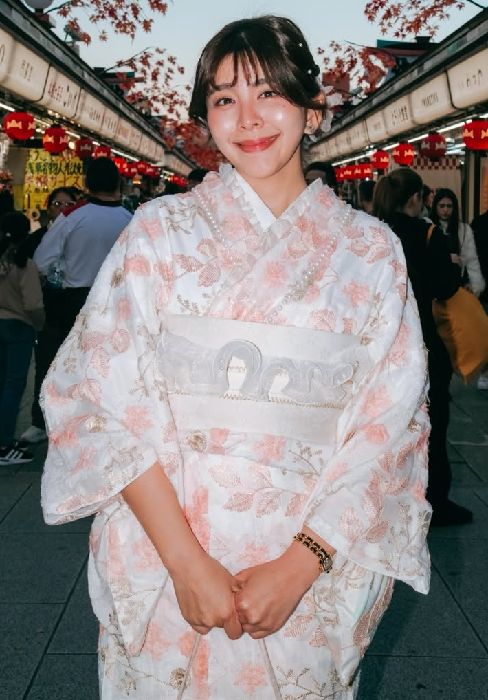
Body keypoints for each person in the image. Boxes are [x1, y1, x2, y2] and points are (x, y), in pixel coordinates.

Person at [41, 16, 431, 699]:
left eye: (268, 93)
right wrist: (187, 563)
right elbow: (93, 396)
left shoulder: (370, 252)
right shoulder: (159, 234)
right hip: (169, 559)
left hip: (302, 569)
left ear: (312, 108)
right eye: (224, 98)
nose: (247, 118)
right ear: (205, 117)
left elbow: (392, 425)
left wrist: (301, 564)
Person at [373, 168, 471, 527]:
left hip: (382, 340)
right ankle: (434, 499)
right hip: (423, 339)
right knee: (433, 420)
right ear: (416, 198)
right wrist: (453, 266)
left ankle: (387, 494)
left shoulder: (373, 230)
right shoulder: (427, 233)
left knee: (388, 422)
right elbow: (445, 287)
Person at [34, 157, 132, 340]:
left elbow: (41, 262)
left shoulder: (72, 216)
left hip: (76, 302)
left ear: (87, 185)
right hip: (118, 302)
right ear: (118, 184)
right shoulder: (130, 219)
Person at [20, 187, 78, 445]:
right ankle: (39, 421)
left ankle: (70, 422)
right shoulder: (39, 238)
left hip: (75, 310)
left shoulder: (81, 234)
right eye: (57, 204)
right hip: (48, 312)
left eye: (69, 204)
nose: (63, 209)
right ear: (48, 207)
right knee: (44, 366)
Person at [0, 212, 44, 464]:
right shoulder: (23, 264)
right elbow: (33, 304)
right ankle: (4, 445)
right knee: (13, 386)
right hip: (19, 326)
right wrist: (39, 325)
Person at [431, 188, 485, 298]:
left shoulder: (464, 230)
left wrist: (475, 285)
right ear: (435, 207)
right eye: (442, 206)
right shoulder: (428, 226)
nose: (445, 210)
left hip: (457, 285)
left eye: (449, 206)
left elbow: (471, 260)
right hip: (433, 284)